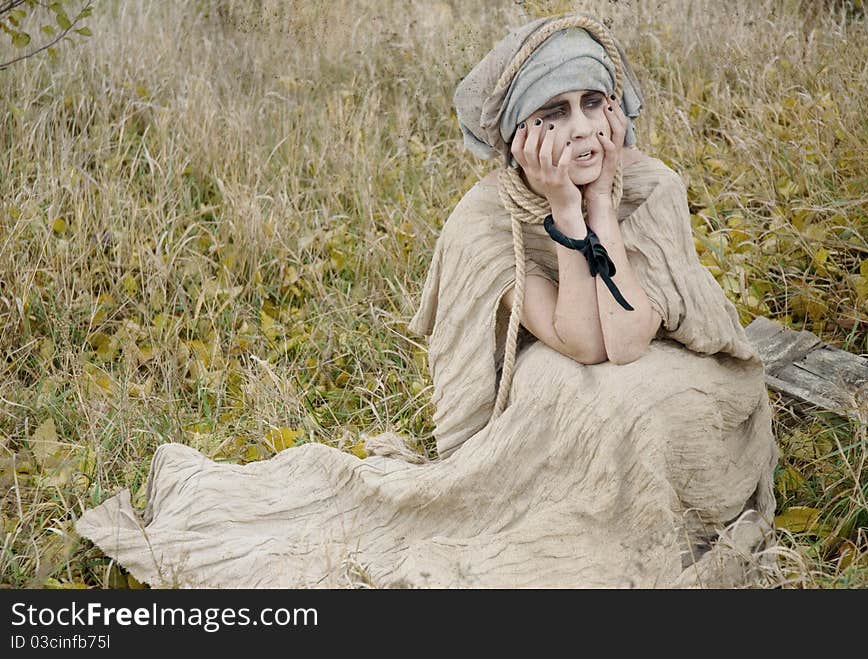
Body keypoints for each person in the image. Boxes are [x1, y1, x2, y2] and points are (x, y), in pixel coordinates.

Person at [76, 13, 779, 588]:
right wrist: (568, 213)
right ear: (517, 139)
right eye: (555, 113)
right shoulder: (487, 222)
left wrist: (603, 206)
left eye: (595, 103)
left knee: (625, 400)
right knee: (563, 384)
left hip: (691, 394)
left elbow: (627, 341)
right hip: (582, 378)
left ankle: (674, 514)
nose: (584, 129)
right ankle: (583, 528)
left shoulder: (652, 188)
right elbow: (587, 342)